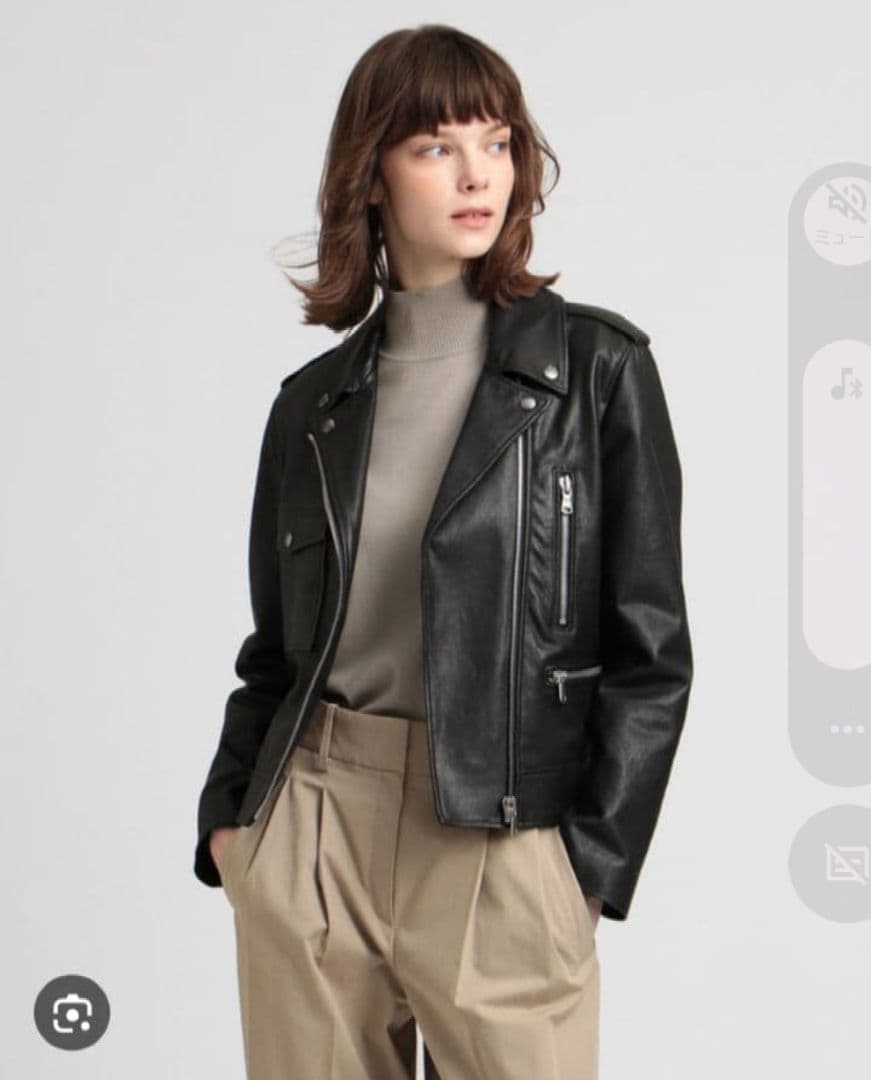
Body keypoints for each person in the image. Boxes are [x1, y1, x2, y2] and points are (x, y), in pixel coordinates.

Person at [194, 23, 693, 1080]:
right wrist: (235, 830)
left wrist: (585, 869)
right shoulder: (312, 408)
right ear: (369, 174)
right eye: (435, 146)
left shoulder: (594, 371)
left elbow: (650, 651)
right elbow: (275, 654)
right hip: (315, 823)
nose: (479, 175)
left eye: (497, 142)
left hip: (500, 831)